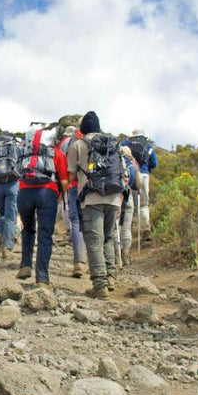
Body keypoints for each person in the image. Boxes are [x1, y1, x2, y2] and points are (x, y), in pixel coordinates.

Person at [67, 111, 127, 299]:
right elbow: (123, 172)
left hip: (91, 197)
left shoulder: (78, 144)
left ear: (83, 128)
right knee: (108, 237)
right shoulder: (114, 144)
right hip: (115, 196)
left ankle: (99, 285)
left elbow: (70, 176)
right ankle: (110, 277)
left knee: (94, 241)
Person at [15, 125, 69, 287]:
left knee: (28, 229)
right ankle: (42, 278)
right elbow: (65, 180)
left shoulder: (26, 152)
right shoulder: (56, 153)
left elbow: (18, 172)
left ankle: (25, 265)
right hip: (47, 193)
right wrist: (60, 195)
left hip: (25, 192)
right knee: (45, 235)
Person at [0, 132, 21, 260]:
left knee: (3, 212)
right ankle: (6, 249)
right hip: (12, 184)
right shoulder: (15, 148)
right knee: (11, 217)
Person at [58, 125, 86, 278]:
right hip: (92, 187)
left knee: (75, 220)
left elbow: (62, 163)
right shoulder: (94, 140)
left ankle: (79, 263)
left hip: (73, 184)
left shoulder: (67, 143)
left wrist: (64, 186)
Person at [122, 128, 158, 240]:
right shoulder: (148, 146)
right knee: (143, 204)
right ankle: (146, 230)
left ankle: (126, 234)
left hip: (129, 174)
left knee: (129, 205)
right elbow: (154, 163)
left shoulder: (126, 144)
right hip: (144, 175)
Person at [116, 145, 143, 266]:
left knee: (115, 227)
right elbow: (138, 184)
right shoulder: (133, 163)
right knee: (126, 228)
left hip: (116, 196)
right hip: (129, 196)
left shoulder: (115, 161)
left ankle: (116, 257)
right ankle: (126, 255)